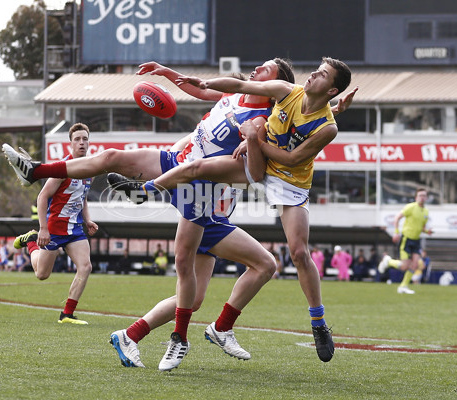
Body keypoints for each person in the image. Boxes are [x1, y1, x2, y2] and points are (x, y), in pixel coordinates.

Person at [119, 57, 354, 364]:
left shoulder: (327, 128)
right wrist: (206, 83)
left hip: (289, 181)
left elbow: (293, 158)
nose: (312, 74)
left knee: (298, 253)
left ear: (332, 88)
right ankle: (144, 191)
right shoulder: (286, 90)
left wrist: (254, 139)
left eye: (321, 74)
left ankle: (318, 323)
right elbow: (240, 85)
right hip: (255, 168)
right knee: (198, 168)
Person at [12, 123, 98, 325]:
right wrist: (42, 229)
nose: (82, 143)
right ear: (71, 144)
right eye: (77, 139)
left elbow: (82, 197)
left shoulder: (90, 170)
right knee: (42, 274)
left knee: (85, 267)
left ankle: (67, 314)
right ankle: (32, 241)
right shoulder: (62, 169)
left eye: (85, 139)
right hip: (55, 229)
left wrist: (88, 220)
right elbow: (42, 196)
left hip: (75, 230)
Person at [378, 187, 433, 294]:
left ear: (426, 198)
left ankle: (403, 286)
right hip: (406, 239)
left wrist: (427, 231)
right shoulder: (410, 207)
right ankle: (388, 261)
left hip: (416, 241)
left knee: (415, 264)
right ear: (416, 197)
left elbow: (422, 227)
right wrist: (396, 232)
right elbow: (397, 218)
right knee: (404, 266)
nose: (422, 198)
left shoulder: (425, 212)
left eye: (424, 196)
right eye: (420, 195)